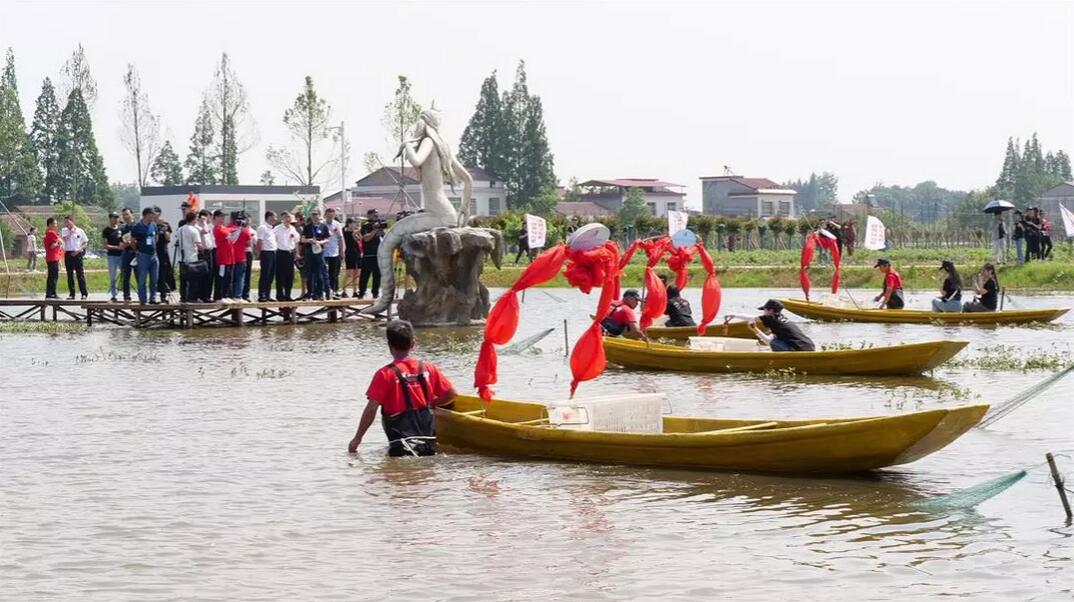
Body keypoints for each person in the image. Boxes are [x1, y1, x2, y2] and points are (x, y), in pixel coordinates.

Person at [347, 319, 457, 456]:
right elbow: (451, 394)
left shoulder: (384, 374)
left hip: (400, 448)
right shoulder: (428, 368)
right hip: (427, 446)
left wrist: (357, 438)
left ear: (389, 346)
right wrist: (431, 405)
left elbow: (371, 410)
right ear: (413, 344)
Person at [726, 299, 815, 352]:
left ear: (771, 310)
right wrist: (755, 330)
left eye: (764, 310)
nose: (763, 312)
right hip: (810, 346)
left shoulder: (770, 318)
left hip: (800, 349)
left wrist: (734, 315)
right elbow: (769, 340)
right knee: (775, 341)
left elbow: (751, 318)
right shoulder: (782, 320)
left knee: (774, 342)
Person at [130, 207, 160, 304]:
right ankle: (143, 299)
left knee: (154, 278)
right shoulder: (137, 227)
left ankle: (153, 298)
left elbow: (156, 237)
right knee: (142, 279)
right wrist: (136, 250)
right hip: (143, 255)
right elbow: (132, 241)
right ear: (147, 215)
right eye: (152, 214)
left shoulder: (154, 225)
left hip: (153, 255)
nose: (154, 216)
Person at [176, 211, 206, 302]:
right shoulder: (193, 230)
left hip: (182, 257)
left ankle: (183, 297)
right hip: (192, 257)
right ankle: (193, 297)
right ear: (193, 219)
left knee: (183, 280)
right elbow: (199, 244)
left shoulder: (180, 229)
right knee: (194, 280)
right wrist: (203, 249)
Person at [302, 209, 331, 300]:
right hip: (309, 252)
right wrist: (308, 240)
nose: (314, 217)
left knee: (320, 273)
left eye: (316, 215)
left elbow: (327, 239)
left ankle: (320, 293)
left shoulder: (323, 226)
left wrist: (321, 242)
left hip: (319, 252)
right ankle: (310, 293)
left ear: (319, 216)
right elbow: (302, 239)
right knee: (309, 273)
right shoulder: (307, 227)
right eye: (313, 215)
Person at [60, 215, 89, 300]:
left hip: (77, 253)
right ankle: (72, 294)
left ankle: (84, 293)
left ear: (72, 221)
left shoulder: (80, 231)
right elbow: (65, 239)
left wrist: (79, 250)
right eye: (65, 222)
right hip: (68, 253)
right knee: (70, 274)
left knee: (80, 274)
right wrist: (71, 232)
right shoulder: (64, 230)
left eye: (68, 222)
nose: (66, 224)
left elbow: (85, 242)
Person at [358, 209, 385, 299]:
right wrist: (374, 230)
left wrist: (380, 229)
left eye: (377, 214)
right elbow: (365, 238)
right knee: (365, 275)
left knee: (377, 275)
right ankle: (361, 292)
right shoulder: (366, 226)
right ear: (369, 215)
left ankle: (375, 293)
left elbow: (383, 236)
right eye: (374, 215)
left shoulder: (379, 224)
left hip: (378, 254)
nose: (376, 216)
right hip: (368, 254)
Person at [274, 211, 299, 301]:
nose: (287, 219)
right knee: (280, 275)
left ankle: (288, 295)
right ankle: (280, 295)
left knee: (290, 275)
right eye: (285, 217)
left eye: (289, 217)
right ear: (282, 219)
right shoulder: (277, 228)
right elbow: (273, 240)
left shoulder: (292, 228)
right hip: (280, 253)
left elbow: (296, 241)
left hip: (290, 253)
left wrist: (297, 253)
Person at [228, 212, 254, 301]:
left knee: (230, 277)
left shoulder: (228, 229)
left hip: (230, 257)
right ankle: (238, 296)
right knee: (240, 278)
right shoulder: (245, 230)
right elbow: (248, 244)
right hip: (241, 257)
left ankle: (229, 295)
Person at [102, 212, 125, 302]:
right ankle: (114, 294)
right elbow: (105, 245)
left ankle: (123, 290)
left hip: (122, 255)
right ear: (110, 218)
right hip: (112, 256)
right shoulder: (106, 230)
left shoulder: (121, 229)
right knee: (113, 276)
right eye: (113, 217)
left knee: (124, 274)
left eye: (117, 217)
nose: (115, 219)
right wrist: (117, 247)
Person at [212, 210, 235, 301]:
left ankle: (225, 295)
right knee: (221, 277)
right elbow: (229, 236)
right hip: (222, 257)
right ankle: (218, 296)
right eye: (221, 216)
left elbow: (232, 237)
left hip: (229, 256)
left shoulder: (224, 227)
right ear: (216, 217)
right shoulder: (217, 228)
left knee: (228, 277)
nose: (223, 218)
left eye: (223, 216)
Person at [154, 207, 175, 303]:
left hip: (163, 251)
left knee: (164, 274)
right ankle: (152, 296)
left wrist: (163, 227)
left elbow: (168, 238)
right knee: (154, 274)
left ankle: (163, 295)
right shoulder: (151, 225)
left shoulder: (165, 224)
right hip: (153, 251)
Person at [323, 207, 346, 298]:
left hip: (334, 252)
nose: (330, 218)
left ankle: (334, 290)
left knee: (334, 273)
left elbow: (340, 238)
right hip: (324, 252)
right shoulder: (322, 224)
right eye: (328, 216)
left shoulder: (337, 224)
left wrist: (342, 251)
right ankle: (325, 290)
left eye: (332, 216)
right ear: (326, 215)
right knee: (324, 273)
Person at [256, 211, 278, 302]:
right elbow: (259, 241)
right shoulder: (262, 228)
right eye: (274, 217)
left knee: (271, 275)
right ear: (268, 217)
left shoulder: (272, 229)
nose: (275, 219)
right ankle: (262, 294)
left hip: (273, 252)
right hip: (266, 253)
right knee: (265, 274)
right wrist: (260, 253)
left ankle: (268, 294)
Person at [196, 209, 215, 301]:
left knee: (210, 274)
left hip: (209, 251)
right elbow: (205, 231)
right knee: (202, 274)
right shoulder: (198, 226)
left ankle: (207, 295)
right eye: (208, 217)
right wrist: (203, 222)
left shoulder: (207, 225)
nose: (209, 219)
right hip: (202, 252)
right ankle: (200, 295)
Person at [119, 207, 137, 302]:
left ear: (132, 214)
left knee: (139, 275)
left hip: (136, 254)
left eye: (127, 214)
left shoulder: (137, 226)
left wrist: (132, 243)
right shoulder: (122, 229)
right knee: (125, 276)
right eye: (124, 215)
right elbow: (121, 244)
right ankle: (126, 297)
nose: (125, 216)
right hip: (126, 254)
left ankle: (142, 296)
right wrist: (127, 243)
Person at [341, 217, 362, 297]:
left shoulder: (356, 232)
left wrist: (358, 234)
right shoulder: (345, 231)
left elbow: (360, 240)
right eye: (353, 223)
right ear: (349, 223)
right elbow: (348, 233)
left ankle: (355, 291)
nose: (355, 224)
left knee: (357, 273)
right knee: (349, 273)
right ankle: (344, 290)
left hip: (357, 253)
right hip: (349, 253)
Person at [43, 218, 62, 299]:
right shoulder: (51, 233)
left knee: (51, 276)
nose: (56, 225)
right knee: (54, 276)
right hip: (53, 257)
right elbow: (52, 245)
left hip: (51, 257)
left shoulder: (47, 233)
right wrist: (58, 242)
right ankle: (52, 293)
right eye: (55, 223)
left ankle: (49, 293)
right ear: (50, 224)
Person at [293, 212, 309, 299]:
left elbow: (301, 242)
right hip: (298, 252)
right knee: (302, 273)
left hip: (304, 252)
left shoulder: (304, 228)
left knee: (305, 273)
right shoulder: (295, 228)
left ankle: (306, 292)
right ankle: (304, 292)